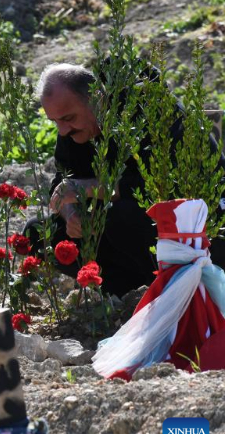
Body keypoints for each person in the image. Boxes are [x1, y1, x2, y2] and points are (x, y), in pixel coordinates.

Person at [25, 63, 225, 297]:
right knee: (39, 233)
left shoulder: (151, 109)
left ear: (97, 99)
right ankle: (127, 295)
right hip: (132, 240)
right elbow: (61, 184)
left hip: (206, 230)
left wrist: (87, 188)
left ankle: (174, 294)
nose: (62, 131)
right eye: (55, 121)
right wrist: (71, 215)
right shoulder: (72, 128)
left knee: (121, 217)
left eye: (68, 118)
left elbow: (159, 188)